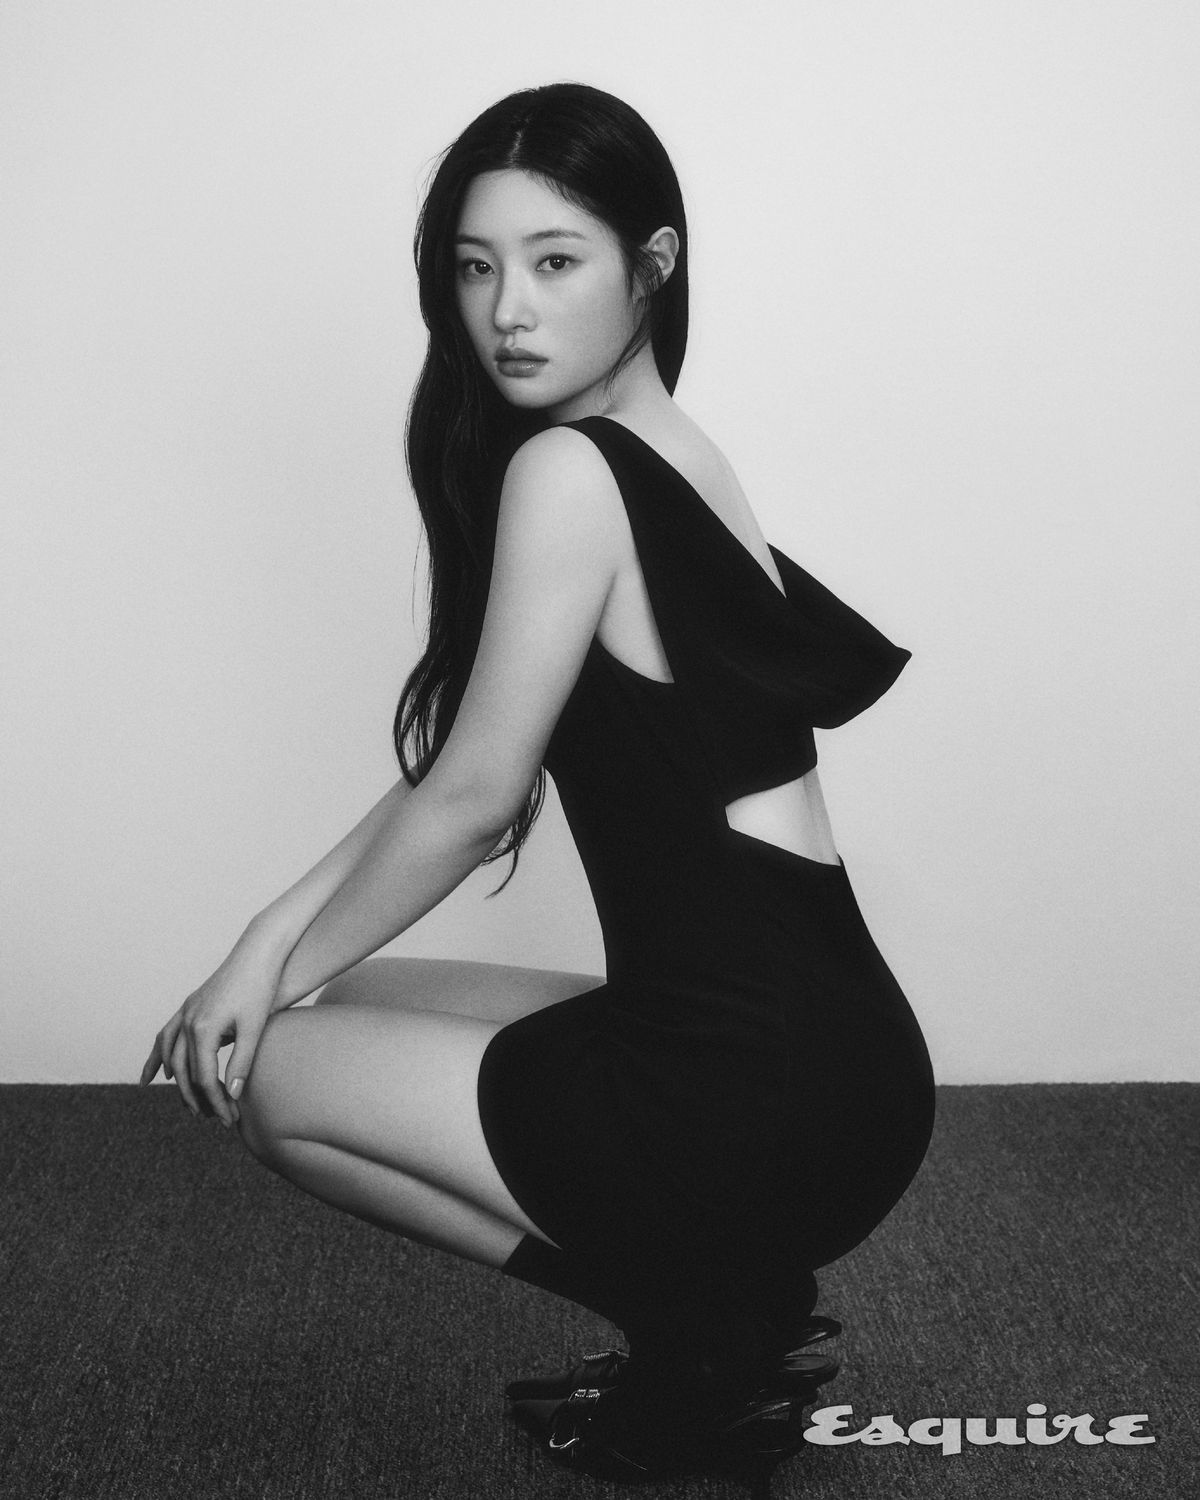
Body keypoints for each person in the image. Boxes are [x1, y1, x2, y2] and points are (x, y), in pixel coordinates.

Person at [140, 82, 936, 1487]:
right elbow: (463, 775)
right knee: (355, 999)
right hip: (841, 1061)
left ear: (653, 264)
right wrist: (274, 944)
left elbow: (471, 802)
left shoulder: (571, 470)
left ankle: (700, 1327)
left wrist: (250, 973)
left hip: (746, 1089)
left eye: (555, 261)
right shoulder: (673, 450)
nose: (507, 310)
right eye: (474, 266)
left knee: (273, 1076)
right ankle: (724, 1309)